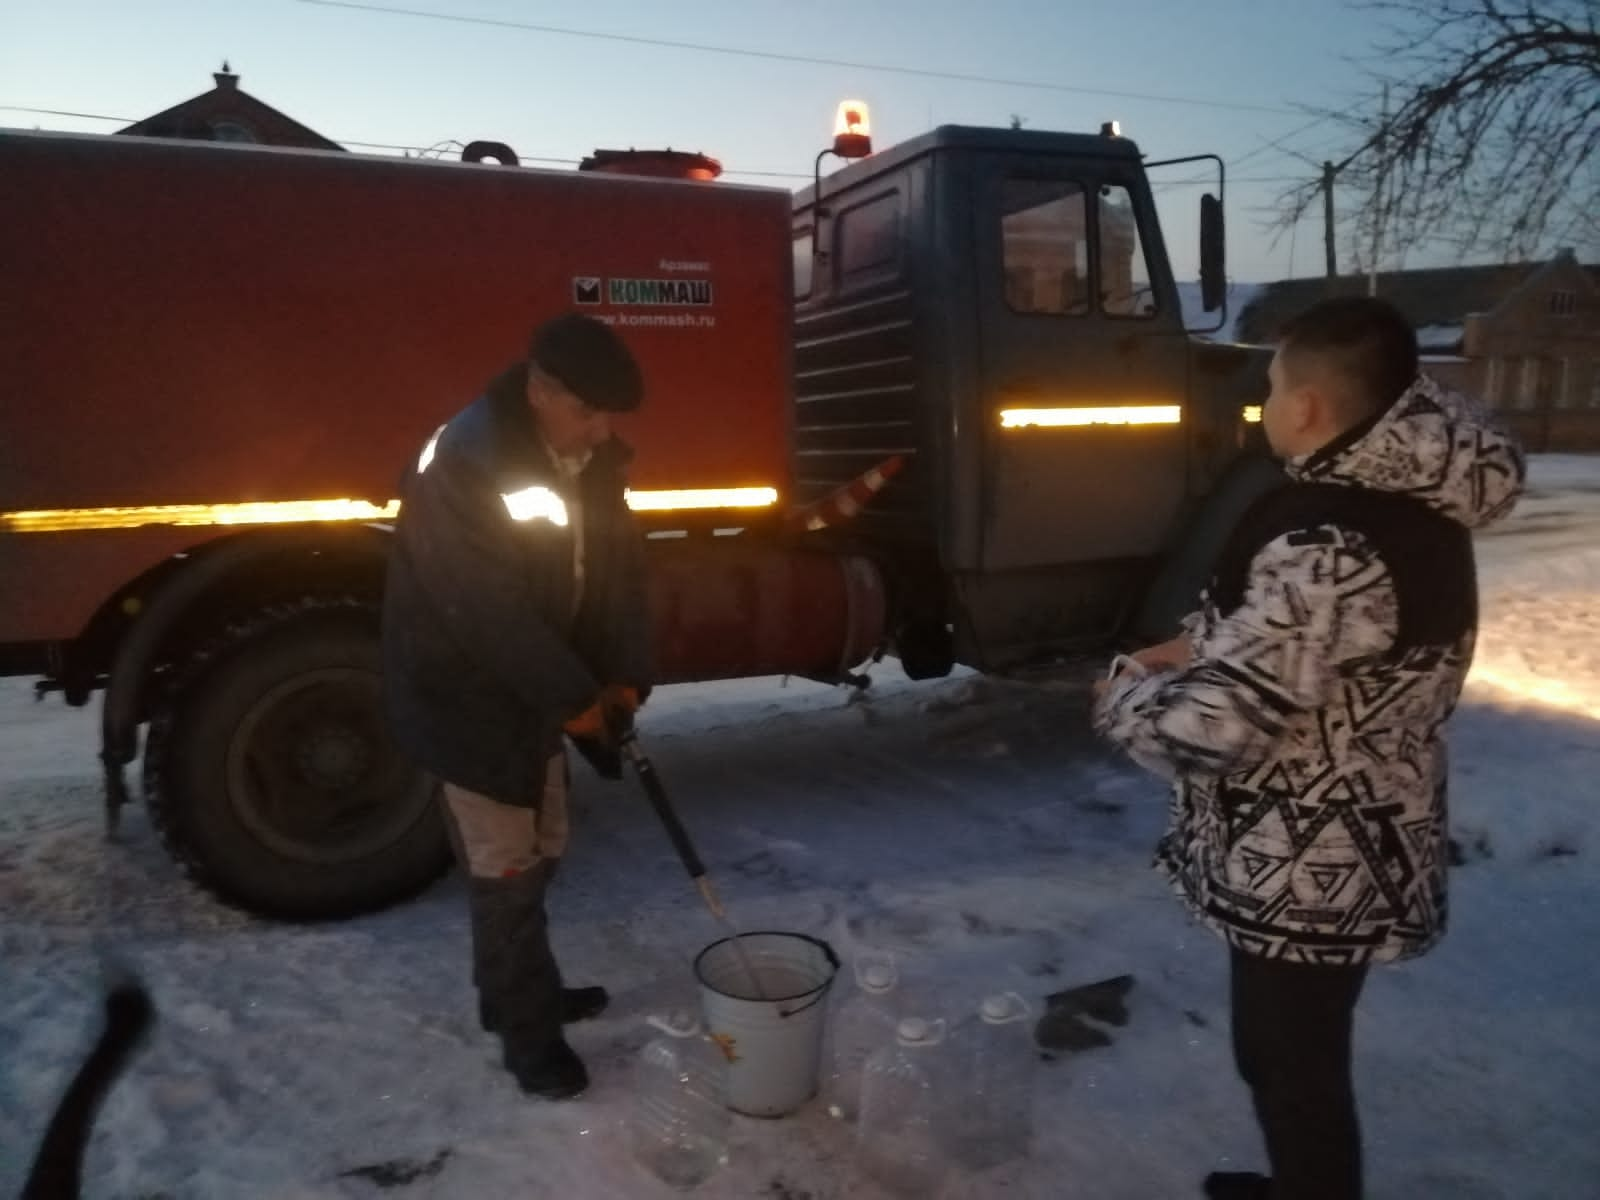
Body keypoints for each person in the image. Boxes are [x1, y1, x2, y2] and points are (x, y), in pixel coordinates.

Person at [1092, 296, 1524, 1200]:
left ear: (1314, 407)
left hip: (1311, 860)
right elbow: (1318, 652)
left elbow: (1215, 727)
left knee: (1293, 1069)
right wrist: (1204, 644)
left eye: (1275, 386)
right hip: (1355, 835)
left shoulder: (1327, 541)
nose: (1264, 405)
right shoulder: (1403, 504)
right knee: (1294, 1056)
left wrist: (1128, 694)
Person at [382, 312, 653, 1100]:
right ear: (539, 391)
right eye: (586, 413)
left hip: (535, 691)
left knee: (543, 852)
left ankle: (517, 985)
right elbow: (483, 610)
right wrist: (576, 700)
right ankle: (527, 1035)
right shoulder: (466, 464)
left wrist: (624, 675)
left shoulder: (584, 459)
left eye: (607, 416)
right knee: (506, 871)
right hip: (464, 697)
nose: (601, 433)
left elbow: (620, 573)